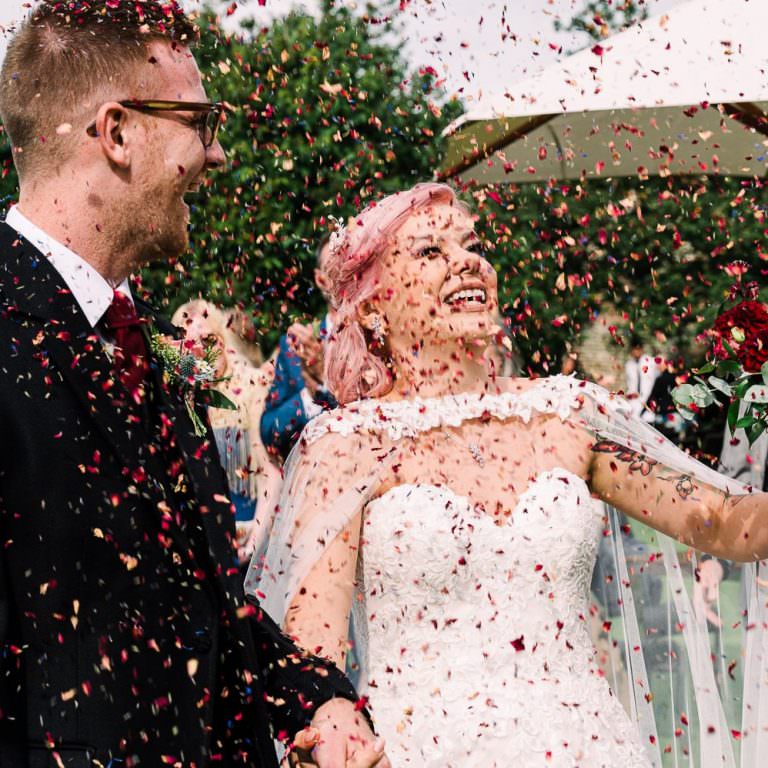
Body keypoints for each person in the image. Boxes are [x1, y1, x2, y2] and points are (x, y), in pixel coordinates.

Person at [247, 182, 768, 767]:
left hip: (587, 747)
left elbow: (720, 519)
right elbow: (310, 649)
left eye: (471, 245)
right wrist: (335, 731)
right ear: (372, 307)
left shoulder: (566, 415)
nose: (469, 261)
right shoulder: (348, 445)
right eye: (430, 253)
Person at [0, 3, 388, 767]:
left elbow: (200, 602)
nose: (217, 156)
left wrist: (317, 699)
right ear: (116, 134)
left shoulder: (144, 342)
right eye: (200, 124)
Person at [172, 300, 282, 563]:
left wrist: (254, 543)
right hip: (198, 547)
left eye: (209, 341)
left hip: (248, 538)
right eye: (191, 345)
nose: (201, 353)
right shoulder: (176, 398)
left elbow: (270, 472)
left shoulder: (251, 389)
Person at [261, 237, 337, 459]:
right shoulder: (294, 346)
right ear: (320, 280)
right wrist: (308, 398)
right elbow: (268, 431)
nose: (342, 274)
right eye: (333, 267)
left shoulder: (378, 335)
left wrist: (327, 384)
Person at [624, 334, 659, 419]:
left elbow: (656, 380)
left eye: (638, 349)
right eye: (634, 349)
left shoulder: (650, 362)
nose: (636, 352)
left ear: (642, 350)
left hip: (647, 399)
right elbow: (629, 383)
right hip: (633, 400)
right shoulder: (629, 365)